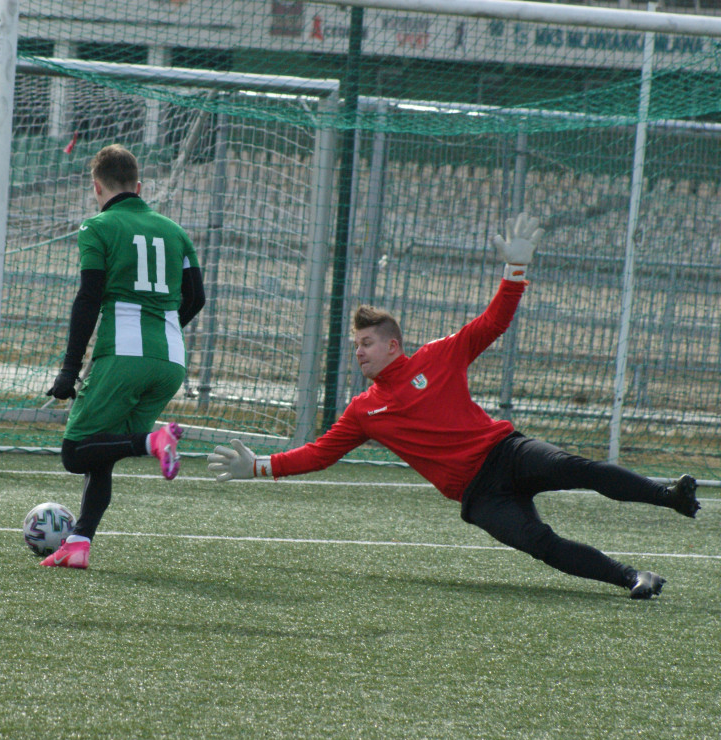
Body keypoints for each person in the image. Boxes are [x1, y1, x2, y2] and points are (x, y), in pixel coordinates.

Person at [208, 213, 700, 599]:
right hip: (478, 495)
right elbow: (319, 453)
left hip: (506, 451)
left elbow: (492, 323)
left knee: (581, 469)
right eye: (355, 345)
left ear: (394, 346)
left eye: (365, 343)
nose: (357, 351)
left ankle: (669, 496)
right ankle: (634, 577)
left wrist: (515, 270)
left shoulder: (439, 355)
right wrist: (260, 468)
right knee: (540, 544)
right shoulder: (363, 410)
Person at [42, 144, 205, 569]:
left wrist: (69, 370)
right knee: (104, 451)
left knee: (76, 452)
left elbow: (89, 297)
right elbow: (196, 298)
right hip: (170, 357)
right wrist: (161, 332)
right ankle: (79, 543)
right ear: (139, 186)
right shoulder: (175, 231)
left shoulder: (97, 226)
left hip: (124, 356)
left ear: (96, 187)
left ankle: (154, 439)